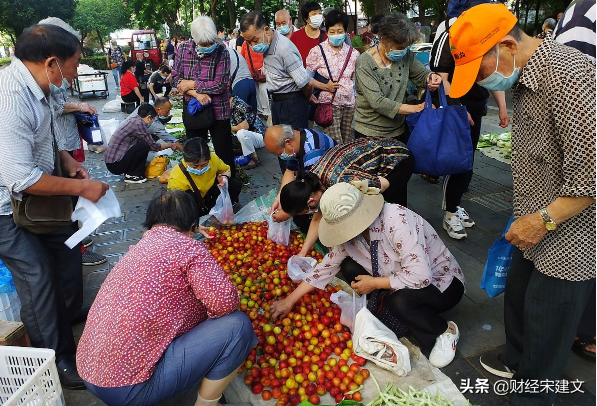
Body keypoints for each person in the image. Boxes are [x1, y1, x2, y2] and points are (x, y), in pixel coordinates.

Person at [447, 5, 596, 405]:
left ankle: (533, 395)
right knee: (519, 299)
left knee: (549, 323)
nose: (484, 83)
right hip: (533, 219)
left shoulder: (569, 76)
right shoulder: (525, 77)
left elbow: (590, 178)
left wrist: (542, 220)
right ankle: (518, 359)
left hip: (571, 232)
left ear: (508, 45)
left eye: (480, 72)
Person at [0, 24, 110, 389]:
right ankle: (56, 357)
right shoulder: (12, 97)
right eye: (75, 64)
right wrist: (85, 187)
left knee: (67, 253)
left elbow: (43, 138)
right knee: (37, 278)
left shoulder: (41, 89)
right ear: (52, 63)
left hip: (39, 201)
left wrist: (66, 161)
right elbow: (22, 178)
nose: (77, 72)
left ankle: (63, 314)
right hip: (7, 207)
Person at [77, 191, 257, 406]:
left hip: (89, 372)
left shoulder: (137, 249)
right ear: (192, 226)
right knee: (238, 326)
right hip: (128, 389)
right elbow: (225, 303)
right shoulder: (189, 248)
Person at [271, 182, 465, 368]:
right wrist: (290, 301)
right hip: (396, 276)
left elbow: (420, 276)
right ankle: (390, 304)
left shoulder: (396, 220)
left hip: (442, 283)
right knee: (348, 265)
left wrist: (374, 283)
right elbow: (326, 267)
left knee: (400, 302)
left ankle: (444, 330)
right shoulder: (349, 236)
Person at [430, 0, 510, 240]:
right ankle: (450, 211)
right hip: (455, 105)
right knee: (457, 161)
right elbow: (438, 77)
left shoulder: (487, 35)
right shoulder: (450, 33)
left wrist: (503, 108)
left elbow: (493, 75)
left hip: (475, 104)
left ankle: (456, 204)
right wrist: (457, 107)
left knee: (468, 159)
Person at [279, 137, 414, 256]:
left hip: (397, 159)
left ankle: (403, 240)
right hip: (374, 152)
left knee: (386, 207)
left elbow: (382, 184)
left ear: (310, 201)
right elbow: (317, 219)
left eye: (305, 211)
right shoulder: (312, 181)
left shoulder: (343, 182)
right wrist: (303, 252)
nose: (310, 213)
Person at [553, 0, 597, 361]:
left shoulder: (581, 14)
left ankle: (579, 328)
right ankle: (582, 329)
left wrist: (545, 219)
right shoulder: (583, 14)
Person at [354, 14, 441, 141]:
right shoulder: (364, 63)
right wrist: (417, 108)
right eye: (400, 47)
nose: (404, 51)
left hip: (398, 129)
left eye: (407, 47)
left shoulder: (406, 56)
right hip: (370, 132)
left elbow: (421, 74)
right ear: (383, 39)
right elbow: (378, 102)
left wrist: (431, 77)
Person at [172, 16, 236, 177]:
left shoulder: (222, 52)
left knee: (224, 153)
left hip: (218, 110)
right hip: (194, 110)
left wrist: (191, 84)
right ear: (194, 39)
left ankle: (229, 191)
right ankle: (199, 190)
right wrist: (196, 94)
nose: (208, 47)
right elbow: (175, 79)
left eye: (210, 43)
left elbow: (219, 84)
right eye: (203, 44)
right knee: (195, 153)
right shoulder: (183, 49)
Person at [240, 12, 314, 137]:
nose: (252, 45)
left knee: (292, 147)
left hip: (292, 103)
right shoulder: (267, 45)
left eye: (254, 40)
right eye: (248, 42)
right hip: (277, 102)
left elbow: (306, 83)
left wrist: (305, 99)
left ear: (267, 30)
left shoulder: (284, 49)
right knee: (280, 146)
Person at [264, 124, 336, 227]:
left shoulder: (313, 155)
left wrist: (289, 213)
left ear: (288, 142)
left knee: (303, 218)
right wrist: (279, 197)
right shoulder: (299, 137)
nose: (281, 157)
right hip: (315, 179)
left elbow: (316, 192)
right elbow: (290, 170)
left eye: (279, 154)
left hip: (329, 186)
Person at [306, 10, 359, 143]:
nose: (336, 34)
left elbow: (354, 80)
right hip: (329, 105)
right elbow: (307, 78)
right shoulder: (317, 51)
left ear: (346, 31)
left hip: (349, 105)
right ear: (327, 31)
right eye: (332, 31)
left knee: (347, 141)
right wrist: (325, 86)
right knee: (335, 142)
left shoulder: (354, 54)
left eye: (340, 31)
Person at [104, 104, 181, 184]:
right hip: (115, 165)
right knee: (144, 145)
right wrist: (170, 145)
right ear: (148, 117)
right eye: (153, 119)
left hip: (112, 162)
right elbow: (154, 147)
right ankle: (132, 175)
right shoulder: (139, 124)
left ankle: (130, 172)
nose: (152, 122)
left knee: (142, 144)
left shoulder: (134, 119)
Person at [168, 138, 241, 216]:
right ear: (186, 161)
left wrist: (224, 178)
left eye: (204, 165)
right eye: (195, 166)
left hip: (210, 195)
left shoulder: (213, 158)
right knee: (186, 199)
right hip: (195, 204)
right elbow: (176, 204)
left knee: (234, 184)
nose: (199, 169)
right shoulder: (177, 176)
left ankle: (221, 210)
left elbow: (226, 170)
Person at [239, 22, 270, 122]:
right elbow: (242, 57)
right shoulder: (246, 44)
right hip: (254, 72)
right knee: (259, 91)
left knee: (262, 90)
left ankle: (265, 111)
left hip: (259, 71)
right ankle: (263, 111)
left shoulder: (258, 43)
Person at [230, 95, 267, 169]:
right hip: (251, 136)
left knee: (241, 133)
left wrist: (229, 128)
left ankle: (254, 158)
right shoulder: (232, 104)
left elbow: (244, 127)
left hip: (260, 136)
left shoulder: (237, 106)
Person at [290, 2, 327, 66]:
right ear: (306, 18)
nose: (318, 16)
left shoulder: (327, 37)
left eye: (320, 13)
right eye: (314, 13)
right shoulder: (296, 37)